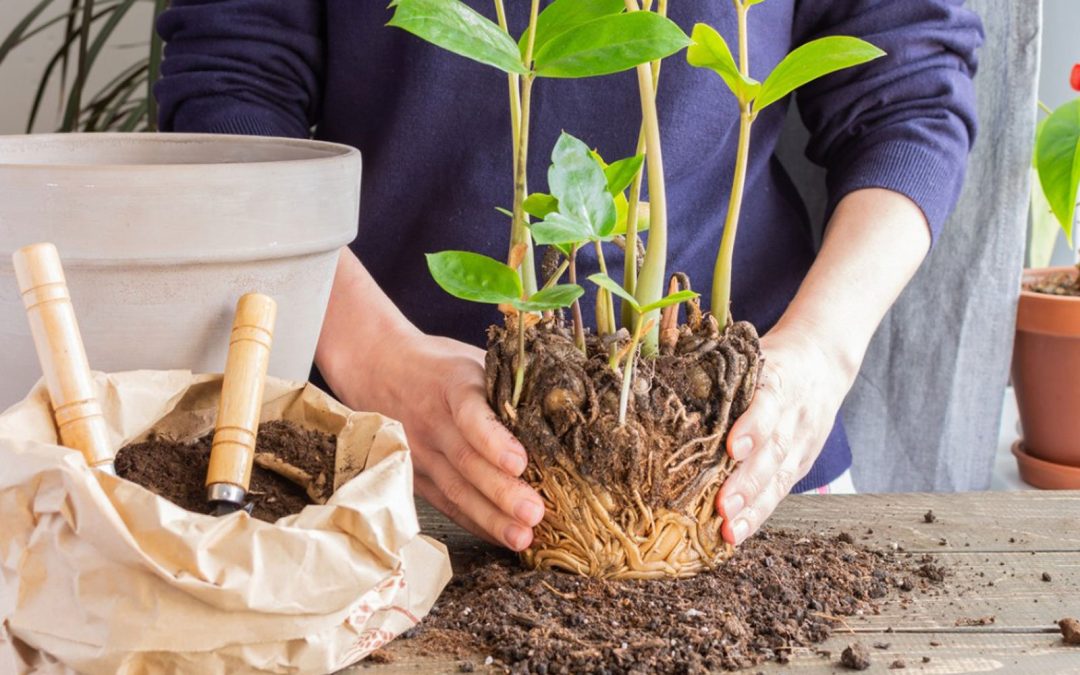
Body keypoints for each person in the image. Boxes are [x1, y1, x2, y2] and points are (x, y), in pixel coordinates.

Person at [154, 1, 981, 551]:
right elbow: (228, 90)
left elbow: (911, 95)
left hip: (743, 460)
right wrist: (371, 356)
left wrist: (820, 359)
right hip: (372, 457)